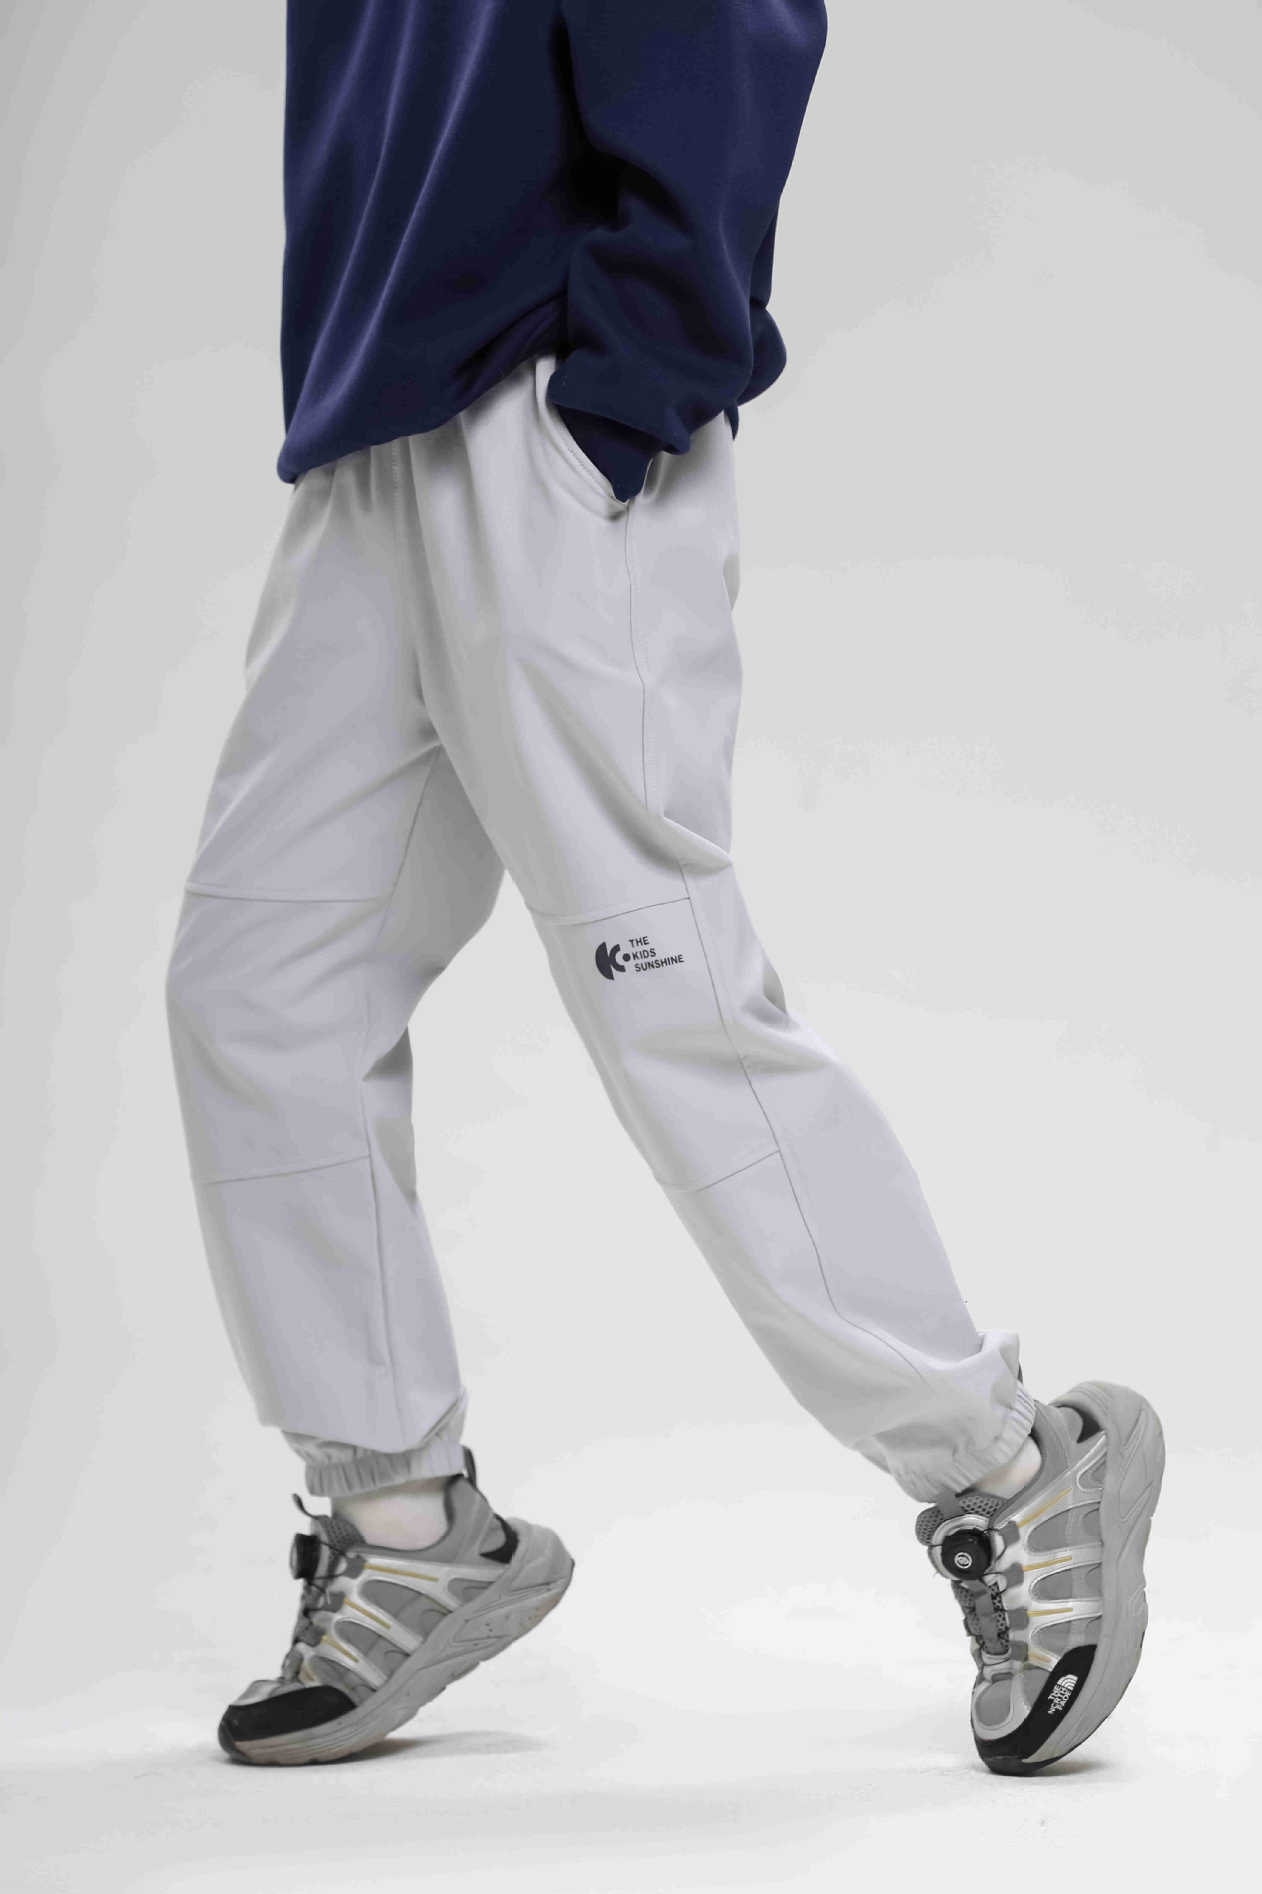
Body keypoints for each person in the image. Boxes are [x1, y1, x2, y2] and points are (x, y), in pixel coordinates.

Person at [166, 0, 1163, 1774]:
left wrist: (620, 395)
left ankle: (1007, 1468)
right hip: (373, 429)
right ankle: (404, 1524)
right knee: (256, 990)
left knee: (663, 989)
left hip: (548, 415)